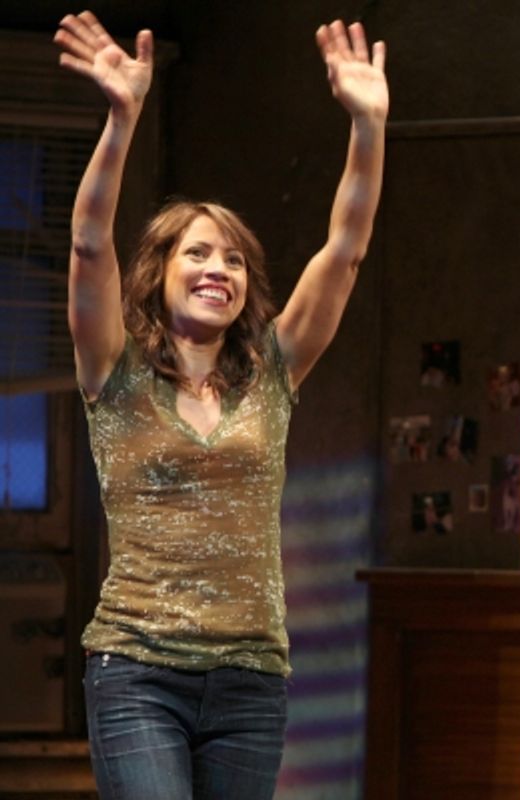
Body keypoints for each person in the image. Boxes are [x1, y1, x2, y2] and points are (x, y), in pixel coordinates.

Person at [54, 10, 386, 798]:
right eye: (197, 253)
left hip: (251, 676)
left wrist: (368, 125)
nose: (218, 269)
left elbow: (346, 248)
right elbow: (88, 245)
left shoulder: (274, 367)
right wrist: (122, 117)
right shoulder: (113, 368)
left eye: (234, 258)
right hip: (137, 668)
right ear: (160, 272)